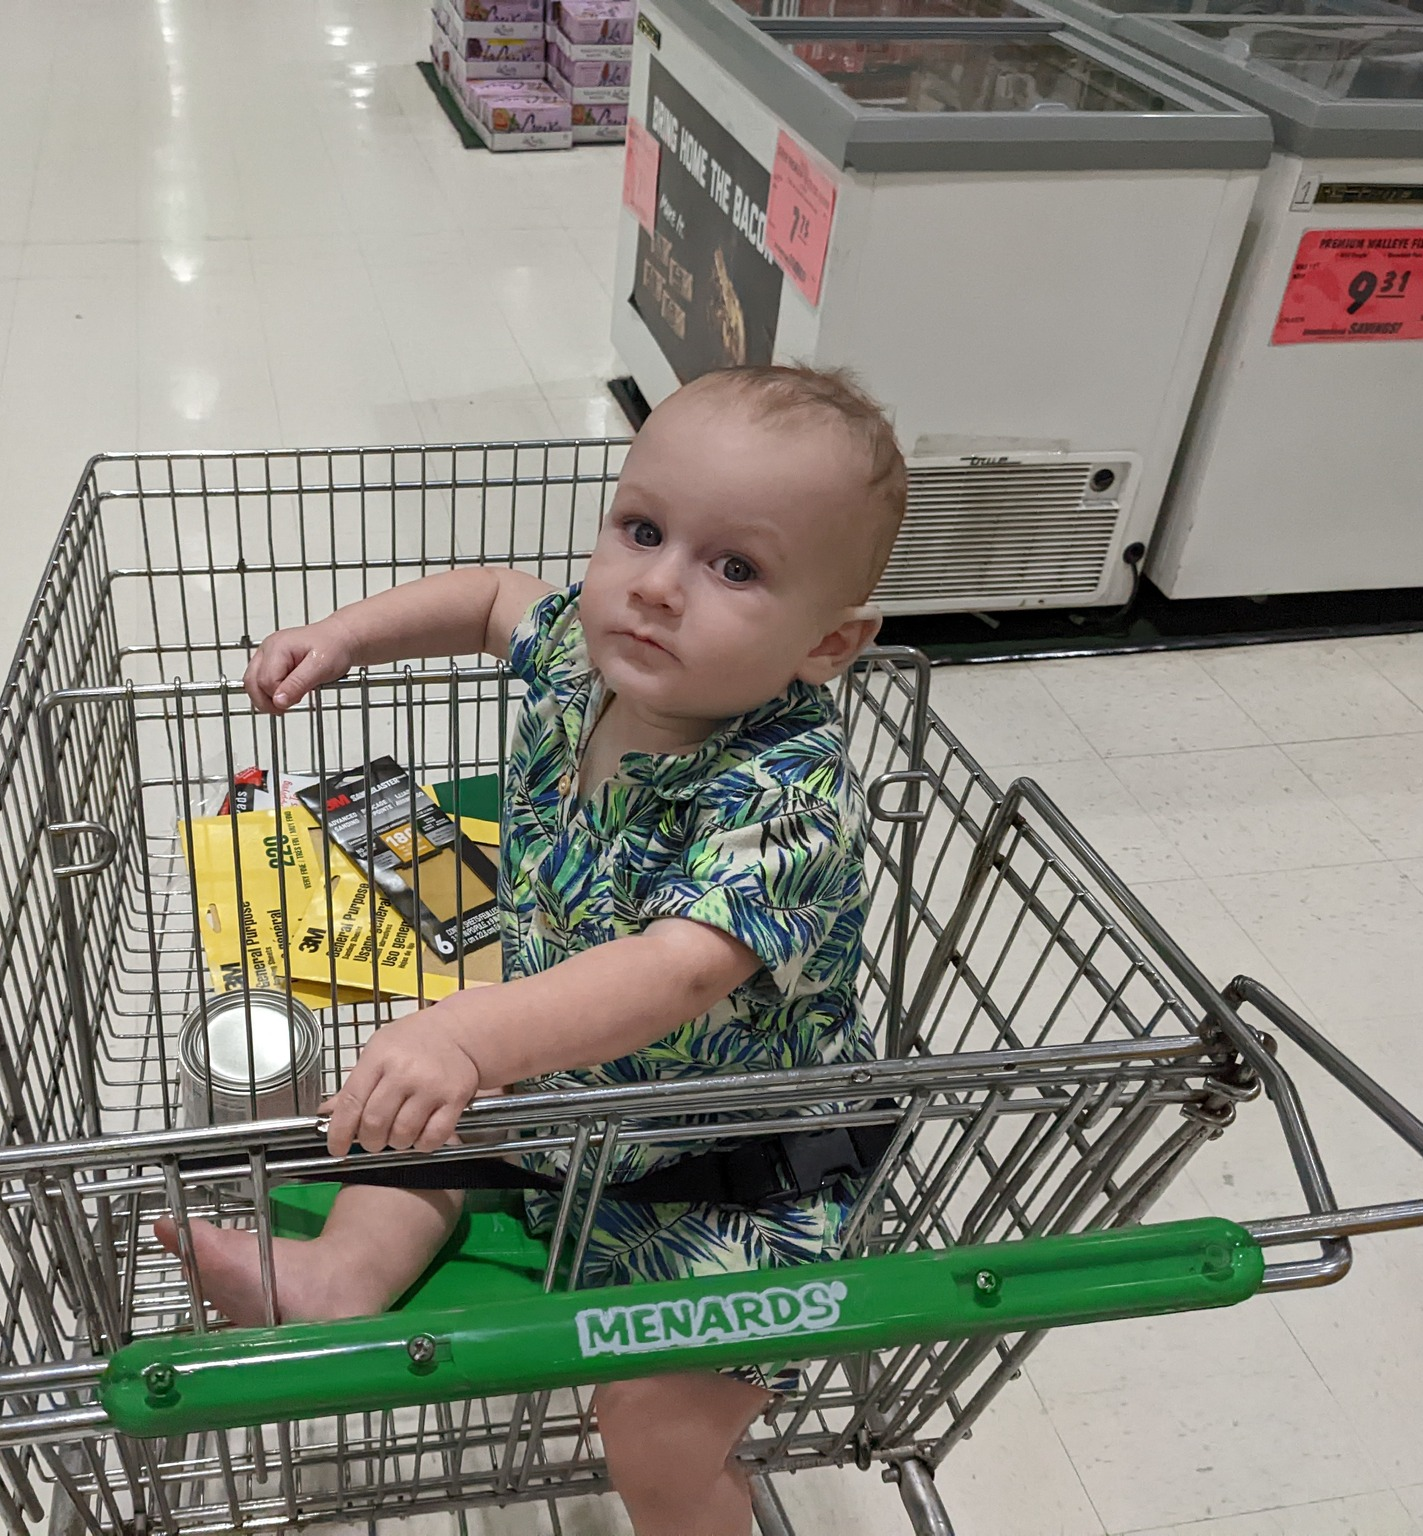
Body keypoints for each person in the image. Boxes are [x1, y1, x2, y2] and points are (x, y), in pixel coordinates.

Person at [157, 363, 908, 1536]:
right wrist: (343, 637)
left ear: (829, 643)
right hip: (574, 1086)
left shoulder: (786, 794)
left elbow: (677, 970)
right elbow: (490, 596)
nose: (655, 588)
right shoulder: (581, 653)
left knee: (650, 1428)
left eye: (734, 568)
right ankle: (333, 1279)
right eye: (642, 529)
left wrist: (462, 1028)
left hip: (735, 1166)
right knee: (422, 1132)